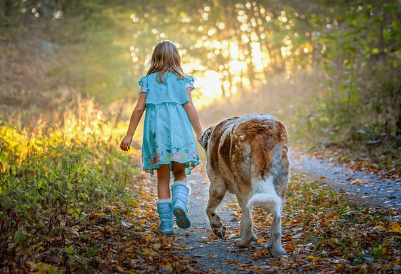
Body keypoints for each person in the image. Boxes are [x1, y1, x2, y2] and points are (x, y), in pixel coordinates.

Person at [120, 40, 203, 235]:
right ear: (176, 58)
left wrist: (129, 134)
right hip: (179, 133)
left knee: (163, 178)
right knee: (180, 173)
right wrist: (200, 132)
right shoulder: (183, 80)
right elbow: (189, 106)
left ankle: (166, 225)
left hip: (157, 135)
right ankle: (180, 203)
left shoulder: (148, 81)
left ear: (155, 58)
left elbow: (139, 108)